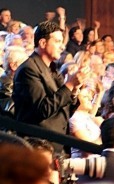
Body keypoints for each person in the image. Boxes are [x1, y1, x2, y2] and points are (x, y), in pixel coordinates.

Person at [13, 21, 88, 149]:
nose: (62, 47)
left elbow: (65, 109)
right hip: (38, 147)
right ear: (43, 43)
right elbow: (42, 110)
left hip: (55, 144)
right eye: (57, 41)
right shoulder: (28, 69)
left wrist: (74, 89)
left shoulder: (52, 69)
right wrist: (69, 84)